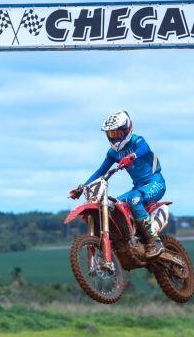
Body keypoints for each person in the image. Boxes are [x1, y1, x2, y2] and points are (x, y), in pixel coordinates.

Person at [70, 110, 166, 258]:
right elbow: (100, 171)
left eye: (117, 133)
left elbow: (144, 149)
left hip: (155, 182)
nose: (114, 138)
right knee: (113, 205)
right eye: (111, 134)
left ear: (126, 130)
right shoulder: (112, 153)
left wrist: (132, 156)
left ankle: (155, 241)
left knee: (134, 199)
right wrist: (82, 187)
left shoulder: (137, 141)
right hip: (139, 187)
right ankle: (128, 239)